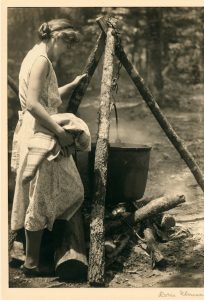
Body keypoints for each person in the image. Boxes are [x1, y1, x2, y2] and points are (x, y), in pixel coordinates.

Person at [10, 18, 88, 276]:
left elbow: (46, 97)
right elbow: (33, 103)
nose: (66, 51)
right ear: (57, 38)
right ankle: (32, 262)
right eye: (67, 45)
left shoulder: (35, 55)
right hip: (40, 132)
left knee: (43, 192)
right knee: (46, 194)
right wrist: (60, 133)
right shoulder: (42, 60)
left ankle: (39, 254)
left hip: (34, 129)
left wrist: (73, 84)